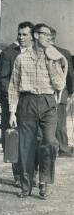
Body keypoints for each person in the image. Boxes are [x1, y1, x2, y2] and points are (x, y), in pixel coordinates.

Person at [8, 23, 66, 199]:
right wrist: (12, 111)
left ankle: (44, 182)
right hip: (27, 101)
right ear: (35, 36)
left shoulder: (54, 58)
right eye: (45, 35)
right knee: (26, 145)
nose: (49, 38)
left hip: (48, 103)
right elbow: (13, 86)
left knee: (49, 142)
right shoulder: (21, 58)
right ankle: (26, 186)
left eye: (50, 36)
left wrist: (51, 65)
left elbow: (59, 85)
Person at [0, 21, 34, 186]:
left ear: (32, 36)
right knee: (12, 138)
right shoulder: (8, 53)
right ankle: (18, 175)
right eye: (19, 34)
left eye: (25, 34)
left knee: (31, 138)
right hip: (12, 102)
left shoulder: (37, 53)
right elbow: (3, 78)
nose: (21, 37)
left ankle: (31, 173)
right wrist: (11, 97)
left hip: (31, 103)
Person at [50, 27, 74, 157]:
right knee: (60, 121)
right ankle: (63, 148)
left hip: (47, 92)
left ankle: (51, 148)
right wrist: (71, 91)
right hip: (61, 92)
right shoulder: (64, 52)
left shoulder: (42, 52)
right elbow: (70, 75)